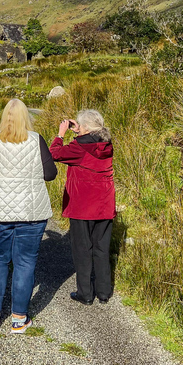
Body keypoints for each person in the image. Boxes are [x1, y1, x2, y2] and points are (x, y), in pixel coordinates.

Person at [0, 98, 57, 334]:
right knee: (25, 263)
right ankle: (19, 318)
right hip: (30, 211)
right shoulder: (36, 140)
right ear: (26, 117)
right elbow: (50, 174)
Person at [50, 110, 116, 305]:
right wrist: (79, 130)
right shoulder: (107, 144)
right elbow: (90, 140)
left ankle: (85, 293)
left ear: (85, 128)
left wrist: (61, 134)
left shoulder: (78, 147)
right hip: (104, 204)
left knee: (82, 249)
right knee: (101, 248)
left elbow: (54, 153)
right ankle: (104, 292)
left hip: (82, 205)